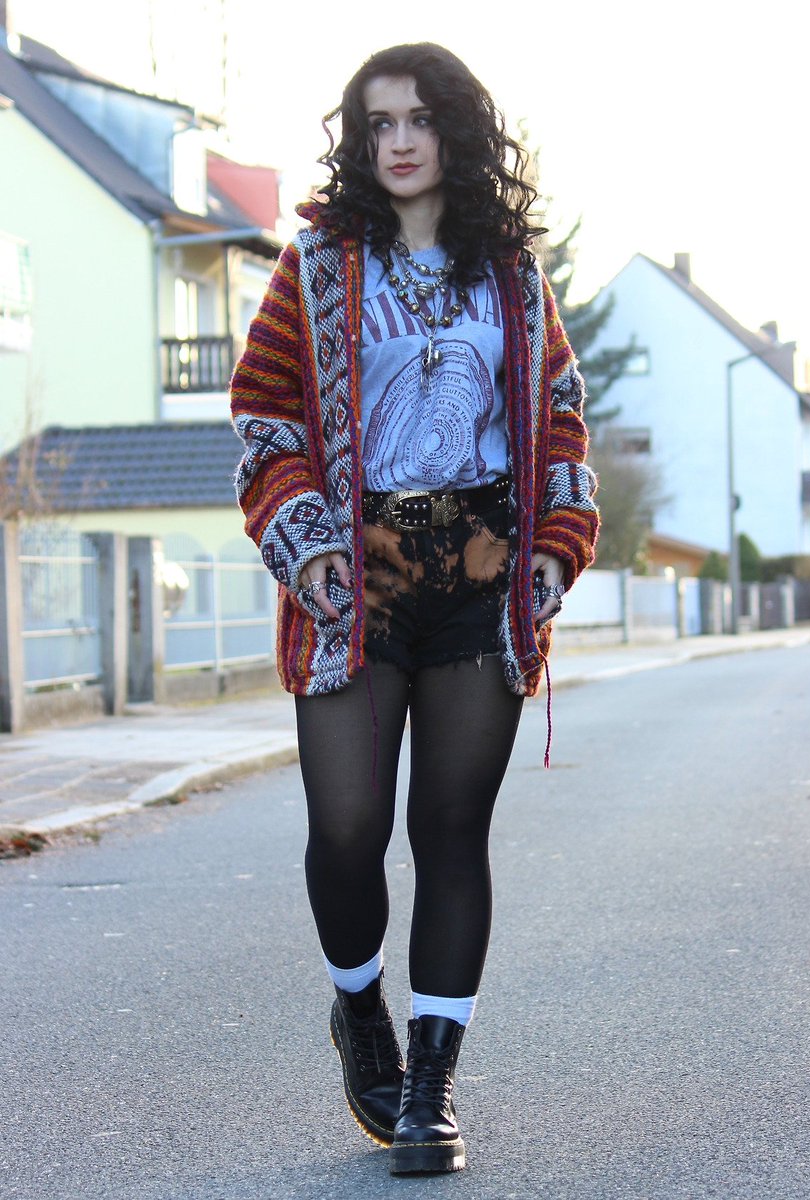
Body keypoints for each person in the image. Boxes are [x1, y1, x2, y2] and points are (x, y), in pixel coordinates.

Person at [230, 42, 598, 1175]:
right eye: (378, 121)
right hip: (355, 574)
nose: (398, 141)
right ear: (360, 138)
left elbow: (563, 417)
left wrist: (552, 549)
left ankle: (430, 1084)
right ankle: (358, 1006)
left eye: (420, 119)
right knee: (346, 834)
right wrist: (307, 547)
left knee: (449, 835)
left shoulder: (512, 277)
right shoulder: (314, 267)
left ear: (456, 135)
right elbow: (264, 416)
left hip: (480, 574)